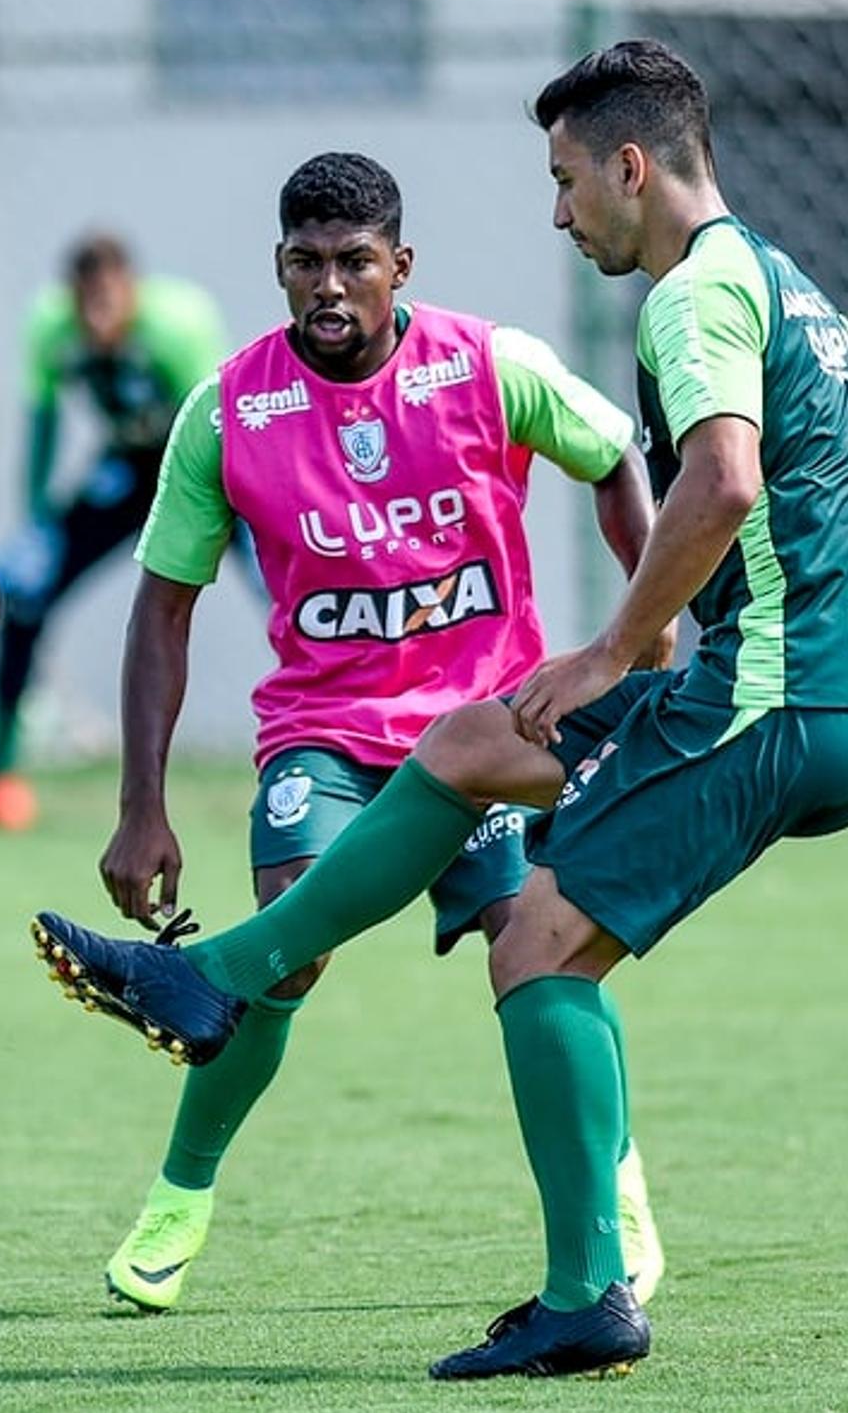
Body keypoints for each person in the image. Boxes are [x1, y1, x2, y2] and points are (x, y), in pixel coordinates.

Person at [30, 40, 848, 1380]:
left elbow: (720, 481)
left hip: (777, 696)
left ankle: (589, 1294)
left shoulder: (687, 301)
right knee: (472, 746)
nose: (560, 213)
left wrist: (620, 648)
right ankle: (217, 982)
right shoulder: (789, 289)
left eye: (566, 181)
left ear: (632, 166)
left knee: (539, 944)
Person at [76, 151, 674, 1313]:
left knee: (541, 940)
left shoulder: (493, 366)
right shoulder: (230, 409)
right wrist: (140, 804)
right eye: (306, 263)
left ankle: (615, 1194)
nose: (330, 286)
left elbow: (615, 462)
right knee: (284, 948)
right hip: (327, 733)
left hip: (495, 724)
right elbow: (164, 604)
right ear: (280, 267)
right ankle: (180, 1197)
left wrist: (638, 626)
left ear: (401, 265)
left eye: (356, 262)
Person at [0, 233, 228, 832]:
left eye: (108, 303)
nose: (97, 319)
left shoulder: (178, 323)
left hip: (210, 474)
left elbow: (214, 423)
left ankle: (350, 752)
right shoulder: (50, 327)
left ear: (131, 293)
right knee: (25, 593)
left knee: (289, 597)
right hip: (128, 470)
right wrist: (38, 522)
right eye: (87, 305)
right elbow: (44, 422)